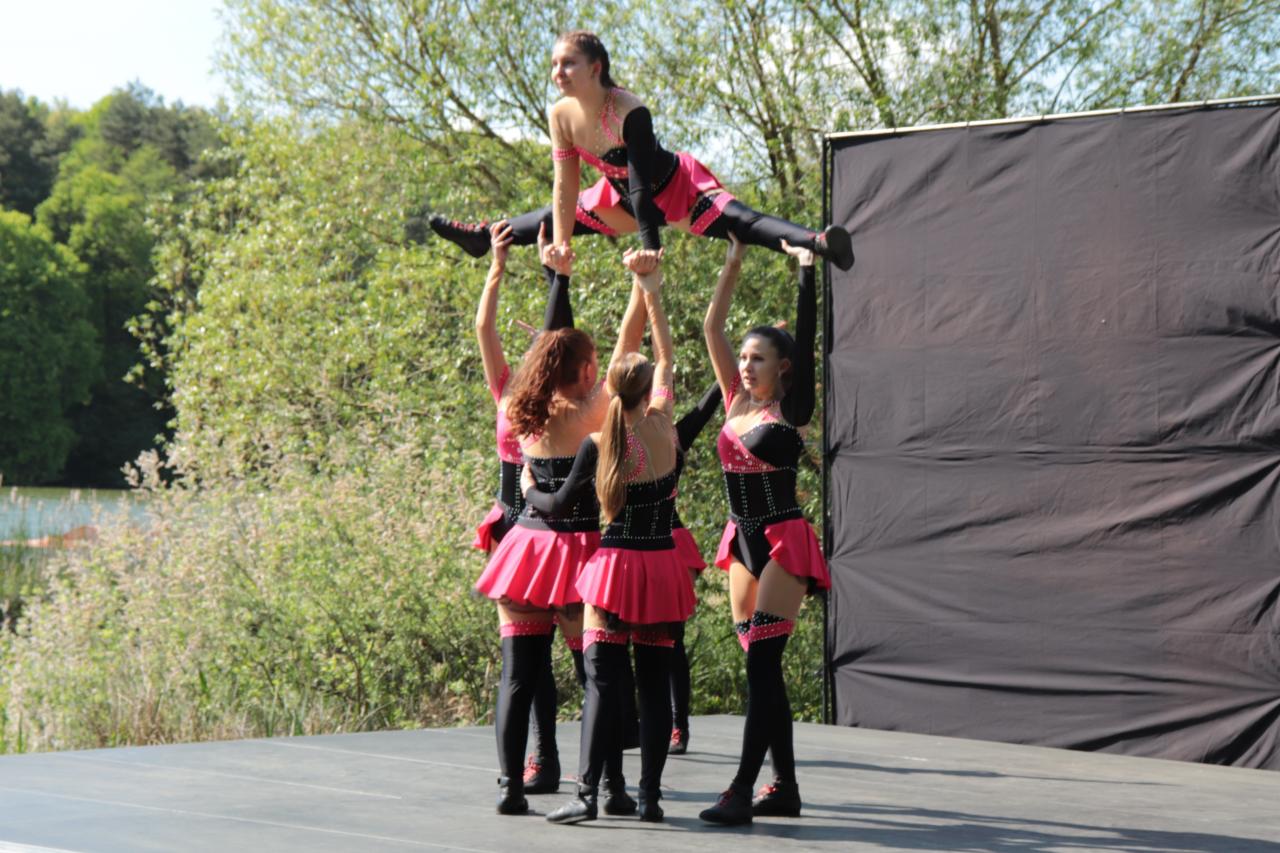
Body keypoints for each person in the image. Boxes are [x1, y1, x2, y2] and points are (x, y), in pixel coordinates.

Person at [428, 30, 853, 273]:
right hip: (620, 200)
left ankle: (819, 242)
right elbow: (565, 188)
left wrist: (650, 248)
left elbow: (640, 185)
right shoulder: (561, 115)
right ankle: (483, 237)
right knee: (547, 217)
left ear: (595, 68)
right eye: (554, 65)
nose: (558, 72)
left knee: (744, 223)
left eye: (568, 63)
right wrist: (561, 245)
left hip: (677, 189)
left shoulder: (629, 110)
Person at [525, 252, 695, 824]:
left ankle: (587, 796)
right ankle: (649, 798)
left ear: (610, 389)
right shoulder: (664, 426)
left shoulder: (600, 440)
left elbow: (558, 504)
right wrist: (651, 291)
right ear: (650, 391)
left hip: (615, 569)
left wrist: (529, 489)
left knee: (600, 684)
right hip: (661, 565)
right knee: (653, 688)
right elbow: (665, 358)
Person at [697, 236, 830, 826]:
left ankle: (740, 790)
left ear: (783, 369)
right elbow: (711, 327)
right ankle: (786, 787)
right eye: (745, 357)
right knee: (764, 671)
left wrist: (805, 271)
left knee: (761, 670)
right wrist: (732, 263)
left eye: (759, 359)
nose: (747, 366)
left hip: (782, 542)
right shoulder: (733, 401)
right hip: (741, 542)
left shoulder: (790, 411)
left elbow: (808, 338)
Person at [474, 256, 610, 815]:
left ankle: (513, 784)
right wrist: (641, 291)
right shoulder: (587, 409)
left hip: (521, 543)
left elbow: (484, 329)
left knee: (518, 674)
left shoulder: (514, 403)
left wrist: (498, 271)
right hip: (570, 542)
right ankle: (602, 783)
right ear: (583, 368)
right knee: (593, 672)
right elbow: (625, 364)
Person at [665, 379, 723, 755]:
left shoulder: (675, 435)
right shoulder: (617, 431)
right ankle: (635, 720)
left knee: (673, 639)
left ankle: (678, 726)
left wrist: (730, 364)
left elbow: (709, 401)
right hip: (625, 544)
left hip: (671, 542)